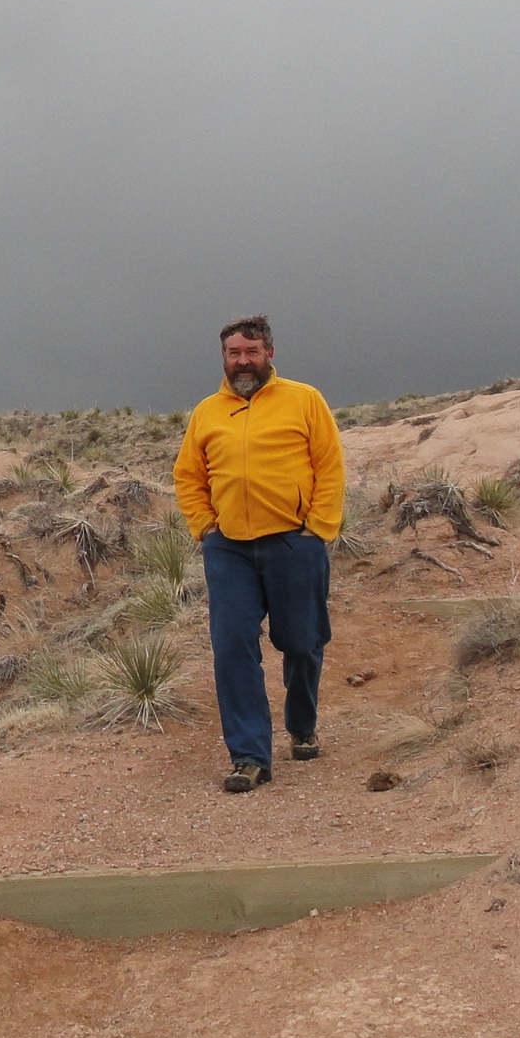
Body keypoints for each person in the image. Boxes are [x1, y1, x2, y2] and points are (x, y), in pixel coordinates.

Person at [173, 314, 345, 793]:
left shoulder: (304, 400)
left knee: (303, 642)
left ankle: (302, 723)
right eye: (234, 353)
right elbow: (188, 474)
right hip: (229, 548)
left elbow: (329, 466)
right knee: (232, 647)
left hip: (294, 541)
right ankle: (249, 755)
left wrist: (318, 529)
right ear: (224, 358)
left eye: (252, 352)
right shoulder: (207, 411)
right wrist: (205, 527)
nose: (243, 361)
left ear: (269, 354)